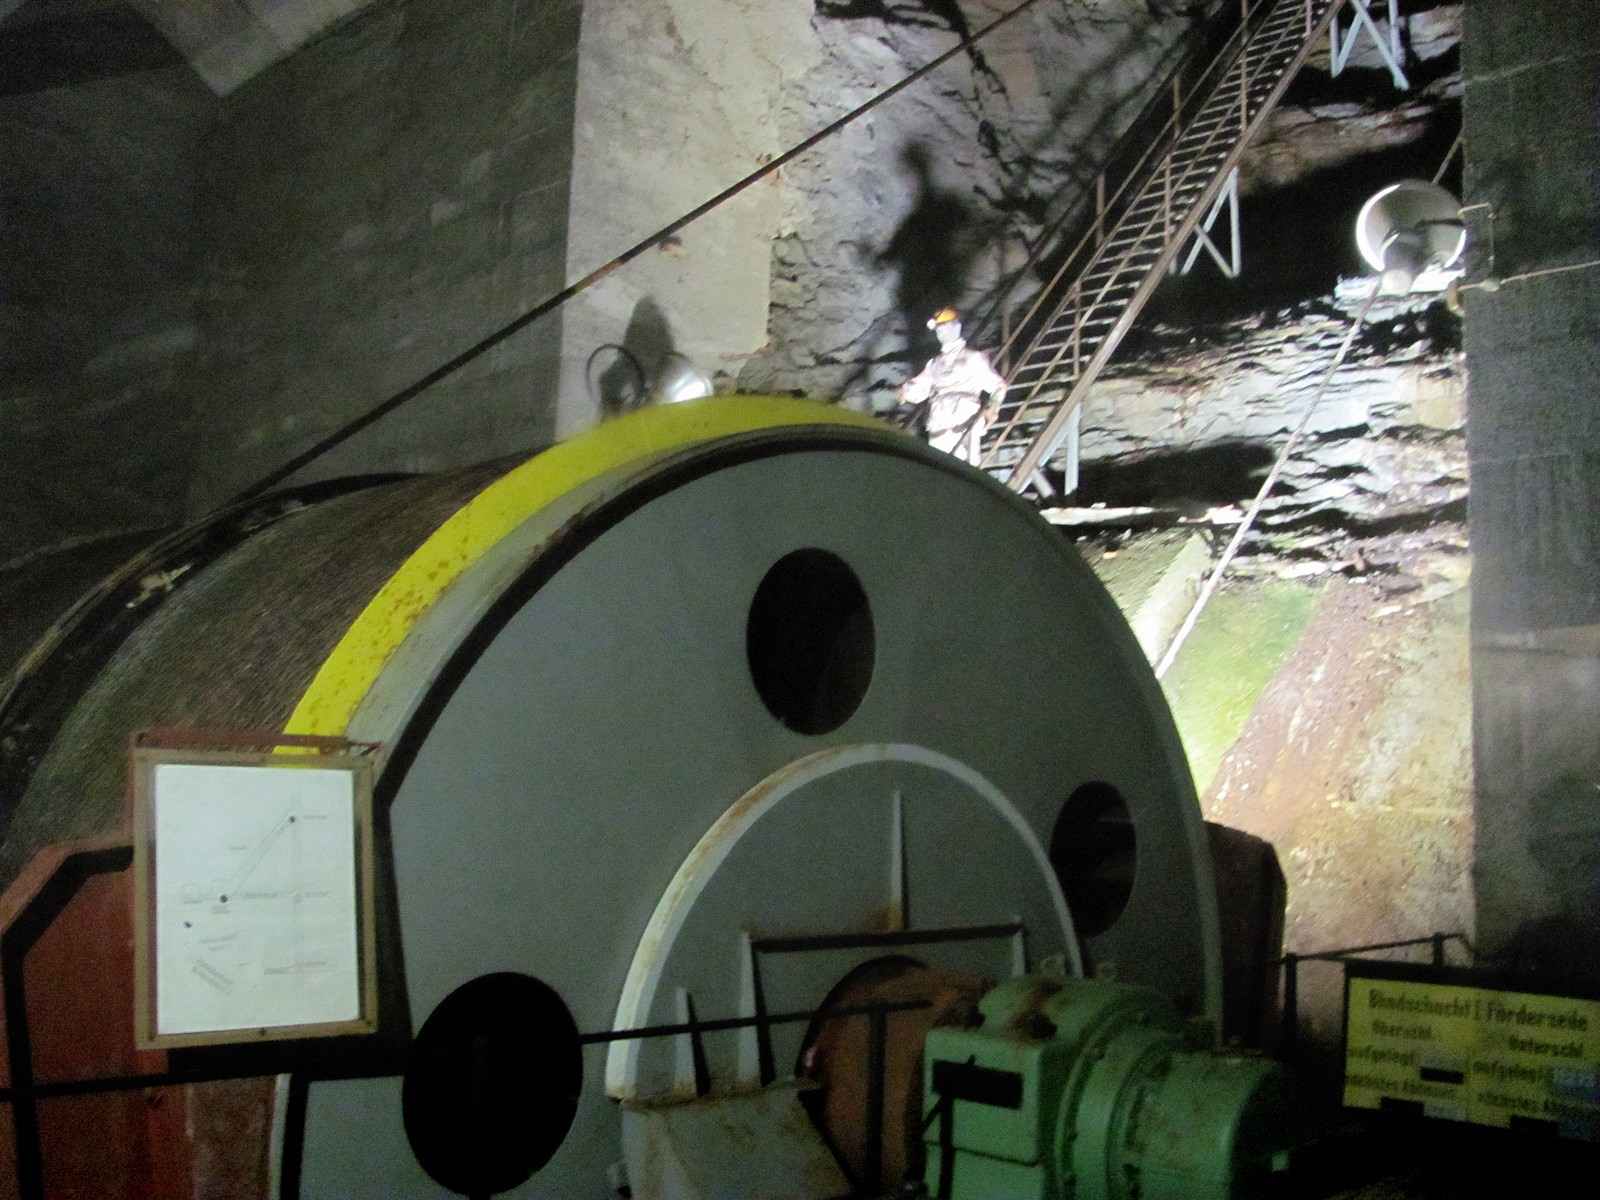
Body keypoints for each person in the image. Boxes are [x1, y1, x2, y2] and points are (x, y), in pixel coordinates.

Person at [897, 307, 1006, 465]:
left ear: (955, 327)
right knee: (940, 467)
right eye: (938, 330)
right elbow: (922, 386)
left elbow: (998, 385)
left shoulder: (973, 358)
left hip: (965, 418)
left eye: (944, 328)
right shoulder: (935, 363)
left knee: (966, 466)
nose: (941, 333)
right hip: (939, 422)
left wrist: (993, 407)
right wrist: (906, 391)